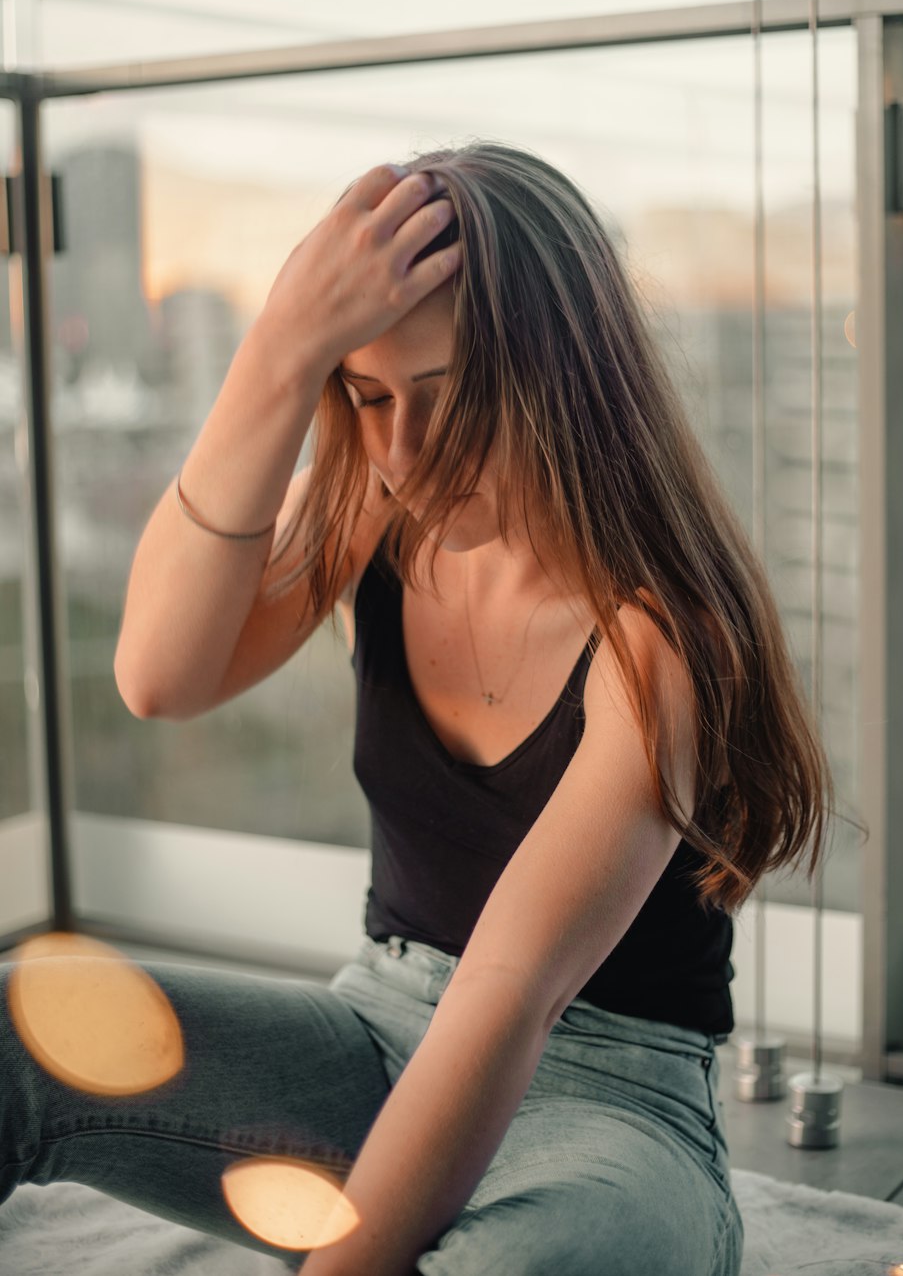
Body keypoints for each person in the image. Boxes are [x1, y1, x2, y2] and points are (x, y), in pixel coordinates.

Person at [0, 141, 855, 1276]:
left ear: (560, 379)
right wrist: (279, 348)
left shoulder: (661, 641)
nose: (402, 452)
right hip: (369, 1036)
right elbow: (158, 676)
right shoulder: (367, 517)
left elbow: (509, 998)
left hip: (607, 1100)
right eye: (364, 396)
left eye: (445, 402)